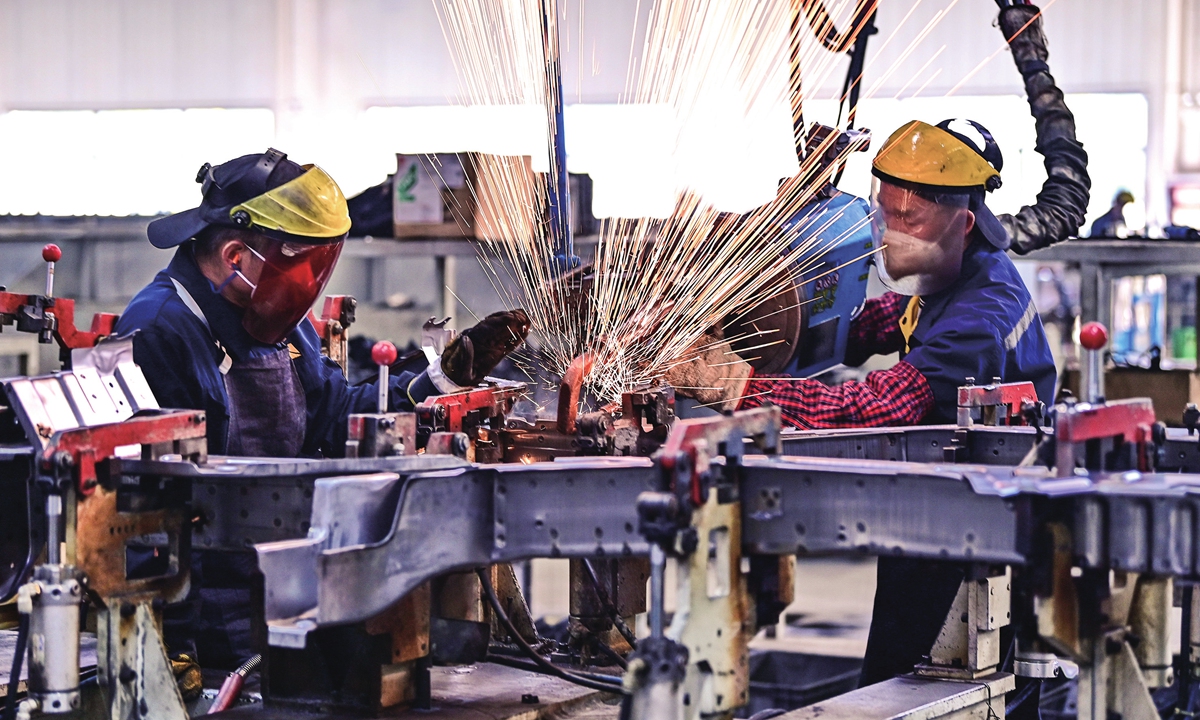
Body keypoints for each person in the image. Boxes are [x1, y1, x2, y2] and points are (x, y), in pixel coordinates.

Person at [116, 148, 529, 692]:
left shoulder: (277, 321)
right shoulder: (160, 332)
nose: (308, 286)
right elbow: (150, 513)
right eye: (301, 266)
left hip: (288, 590)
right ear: (238, 256)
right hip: (207, 622)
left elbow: (333, 415)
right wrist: (172, 657)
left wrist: (437, 385)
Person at [668, 118, 1057, 689]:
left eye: (908, 219)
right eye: (883, 211)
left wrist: (735, 386)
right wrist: (765, 333)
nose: (887, 231)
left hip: (984, 538)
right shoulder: (960, 273)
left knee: (922, 686)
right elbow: (883, 323)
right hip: (951, 514)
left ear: (964, 222)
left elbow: (873, 408)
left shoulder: (979, 320)